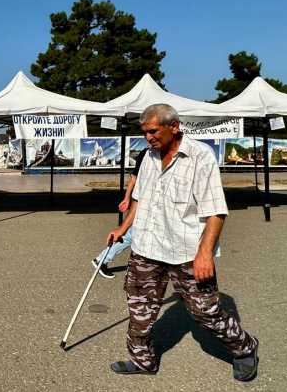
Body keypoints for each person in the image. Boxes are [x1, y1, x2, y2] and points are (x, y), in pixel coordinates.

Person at [106, 104, 259, 382]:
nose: (148, 138)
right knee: (140, 308)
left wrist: (205, 254)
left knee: (205, 312)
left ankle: (244, 348)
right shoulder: (149, 157)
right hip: (147, 248)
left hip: (187, 251)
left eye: (153, 131)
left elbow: (215, 211)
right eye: (144, 132)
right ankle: (143, 360)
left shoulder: (200, 156)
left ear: (173, 126)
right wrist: (123, 227)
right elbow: (140, 199)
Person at [92, 147, 148, 279]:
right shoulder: (145, 153)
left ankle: (102, 260)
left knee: (132, 234)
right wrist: (127, 198)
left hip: (151, 203)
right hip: (143, 201)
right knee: (131, 234)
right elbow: (134, 178)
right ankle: (102, 260)